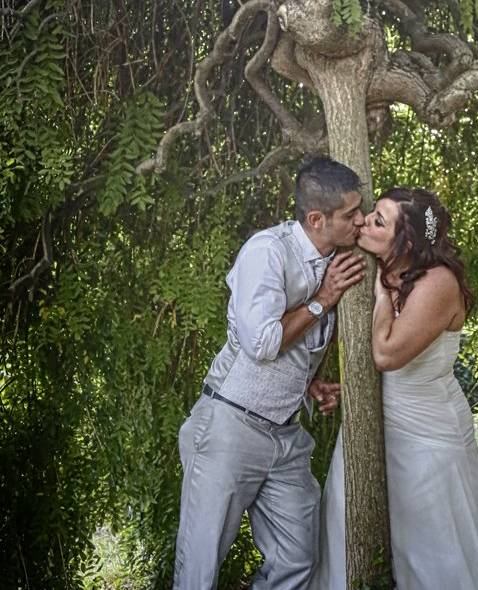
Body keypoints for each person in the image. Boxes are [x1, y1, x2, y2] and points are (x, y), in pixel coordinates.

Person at [173, 156, 367, 590]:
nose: (361, 219)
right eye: (351, 214)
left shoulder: (334, 256)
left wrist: (305, 383)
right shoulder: (267, 252)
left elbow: (292, 346)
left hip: (285, 436)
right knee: (199, 571)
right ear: (317, 219)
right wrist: (324, 298)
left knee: (298, 557)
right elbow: (261, 343)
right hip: (229, 427)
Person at [312, 188, 478, 589]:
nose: (364, 222)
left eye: (378, 221)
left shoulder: (439, 283)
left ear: (406, 242)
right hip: (374, 427)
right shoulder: (378, 270)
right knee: (345, 528)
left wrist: (381, 295)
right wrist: (350, 391)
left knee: (433, 553)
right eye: (371, 215)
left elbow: (386, 355)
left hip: (429, 435)